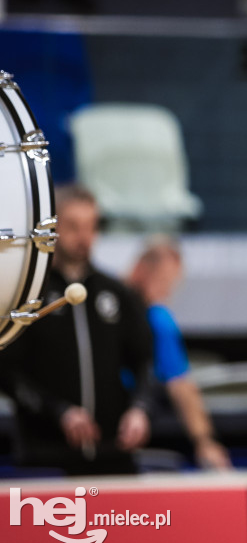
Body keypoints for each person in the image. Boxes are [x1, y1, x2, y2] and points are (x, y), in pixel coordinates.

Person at [0, 184, 154, 475]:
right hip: (45, 458)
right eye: (73, 226)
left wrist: (141, 410)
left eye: (91, 226)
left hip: (114, 456)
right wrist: (59, 412)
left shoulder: (117, 293)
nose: (84, 237)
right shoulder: (27, 294)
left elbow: (144, 360)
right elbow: (9, 374)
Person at [126, 237, 232, 471]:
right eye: (163, 282)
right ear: (142, 271)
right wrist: (205, 442)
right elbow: (181, 386)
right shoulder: (158, 319)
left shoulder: (112, 305)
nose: (166, 292)